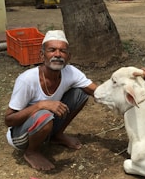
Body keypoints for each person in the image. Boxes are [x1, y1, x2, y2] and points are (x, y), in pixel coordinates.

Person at [5, 30, 97, 171]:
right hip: (21, 135)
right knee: (44, 113)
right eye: (52, 50)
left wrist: (131, 82)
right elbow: (9, 120)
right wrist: (40, 105)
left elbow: (96, 92)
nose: (58, 54)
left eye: (63, 51)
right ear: (42, 55)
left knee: (80, 93)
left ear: (68, 57)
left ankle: (56, 135)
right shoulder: (27, 80)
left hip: (48, 124)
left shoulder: (71, 72)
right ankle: (32, 152)